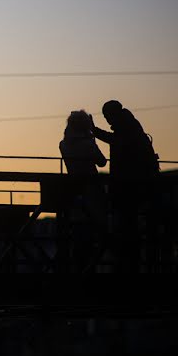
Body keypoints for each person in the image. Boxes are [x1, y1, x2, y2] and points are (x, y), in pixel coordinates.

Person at [92, 100, 159, 273]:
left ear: (112, 114)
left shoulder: (125, 128)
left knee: (127, 229)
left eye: (107, 116)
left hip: (129, 187)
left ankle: (128, 267)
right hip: (134, 186)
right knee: (130, 229)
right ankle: (131, 265)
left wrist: (94, 130)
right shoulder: (130, 124)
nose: (107, 120)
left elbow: (115, 141)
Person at [58, 110, 108, 272]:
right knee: (97, 230)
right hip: (92, 190)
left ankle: (77, 268)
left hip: (73, 189)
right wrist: (92, 138)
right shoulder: (88, 143)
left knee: (78, 231)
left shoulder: (63, 144)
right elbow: (101, 162)